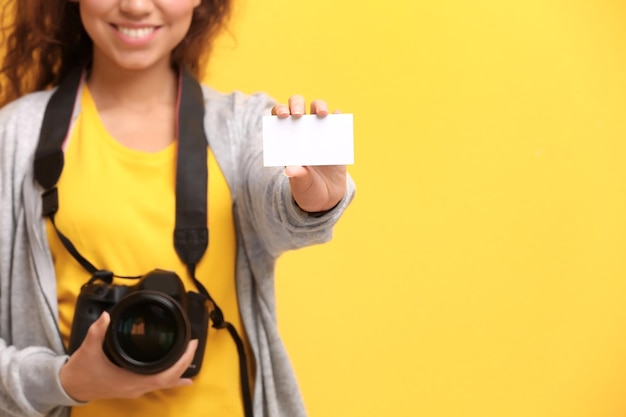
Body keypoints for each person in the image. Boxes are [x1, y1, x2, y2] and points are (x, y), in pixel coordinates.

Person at [0, 0, 356, 416]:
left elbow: (278, 203)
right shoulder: (13, 138)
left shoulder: (243, 126)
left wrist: (312, 199)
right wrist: (63, 381)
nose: (134, 6)